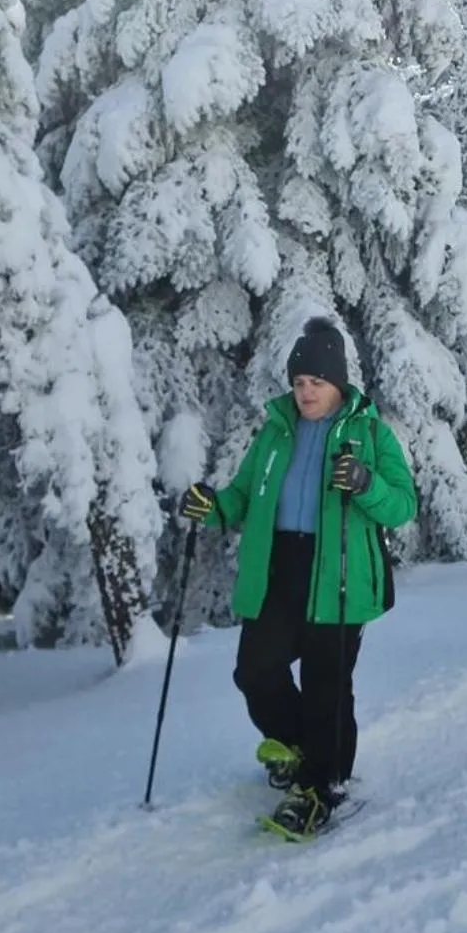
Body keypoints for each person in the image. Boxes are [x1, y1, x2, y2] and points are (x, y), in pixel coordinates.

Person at [178, 318, 417, 840]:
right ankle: (299, 746)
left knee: (327, 687)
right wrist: (211, 507)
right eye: (299, 382)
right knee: (255, 671)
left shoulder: (370, 433)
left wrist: (366, 483)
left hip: (341, 575)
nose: (305, 392)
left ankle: (321, 786)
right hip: (279, 568)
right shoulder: (276, 432)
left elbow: (403, 505)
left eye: (316, 382)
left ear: (338, 383)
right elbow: (243, 496)